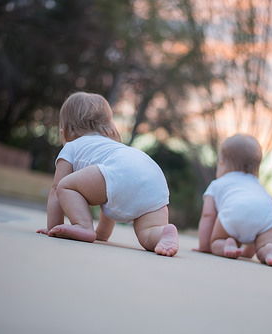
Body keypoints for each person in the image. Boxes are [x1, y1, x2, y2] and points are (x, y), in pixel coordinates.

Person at [36, 92, 178, 257]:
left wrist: (53, 226)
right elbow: (110, 195)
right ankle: (163, 233)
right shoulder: (111, 148)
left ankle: (83, 226)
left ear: (63, 132)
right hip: (153, 177)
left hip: (121, 172)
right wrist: (102, 235)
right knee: (147, 233)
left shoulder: (71, 146)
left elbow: (55, 190)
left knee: (65, 185)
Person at [194, 134, 272, 266]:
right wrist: (247, 253)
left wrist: (205, 245)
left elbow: (208, 216)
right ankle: (270, 248)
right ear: (257, 169)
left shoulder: (216, 185)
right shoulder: (258, 187)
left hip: (234, 212)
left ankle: (225, 244)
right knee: (266, 240)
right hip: (267, 214)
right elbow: (253, 215)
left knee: (216, 242)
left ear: (221, 164)